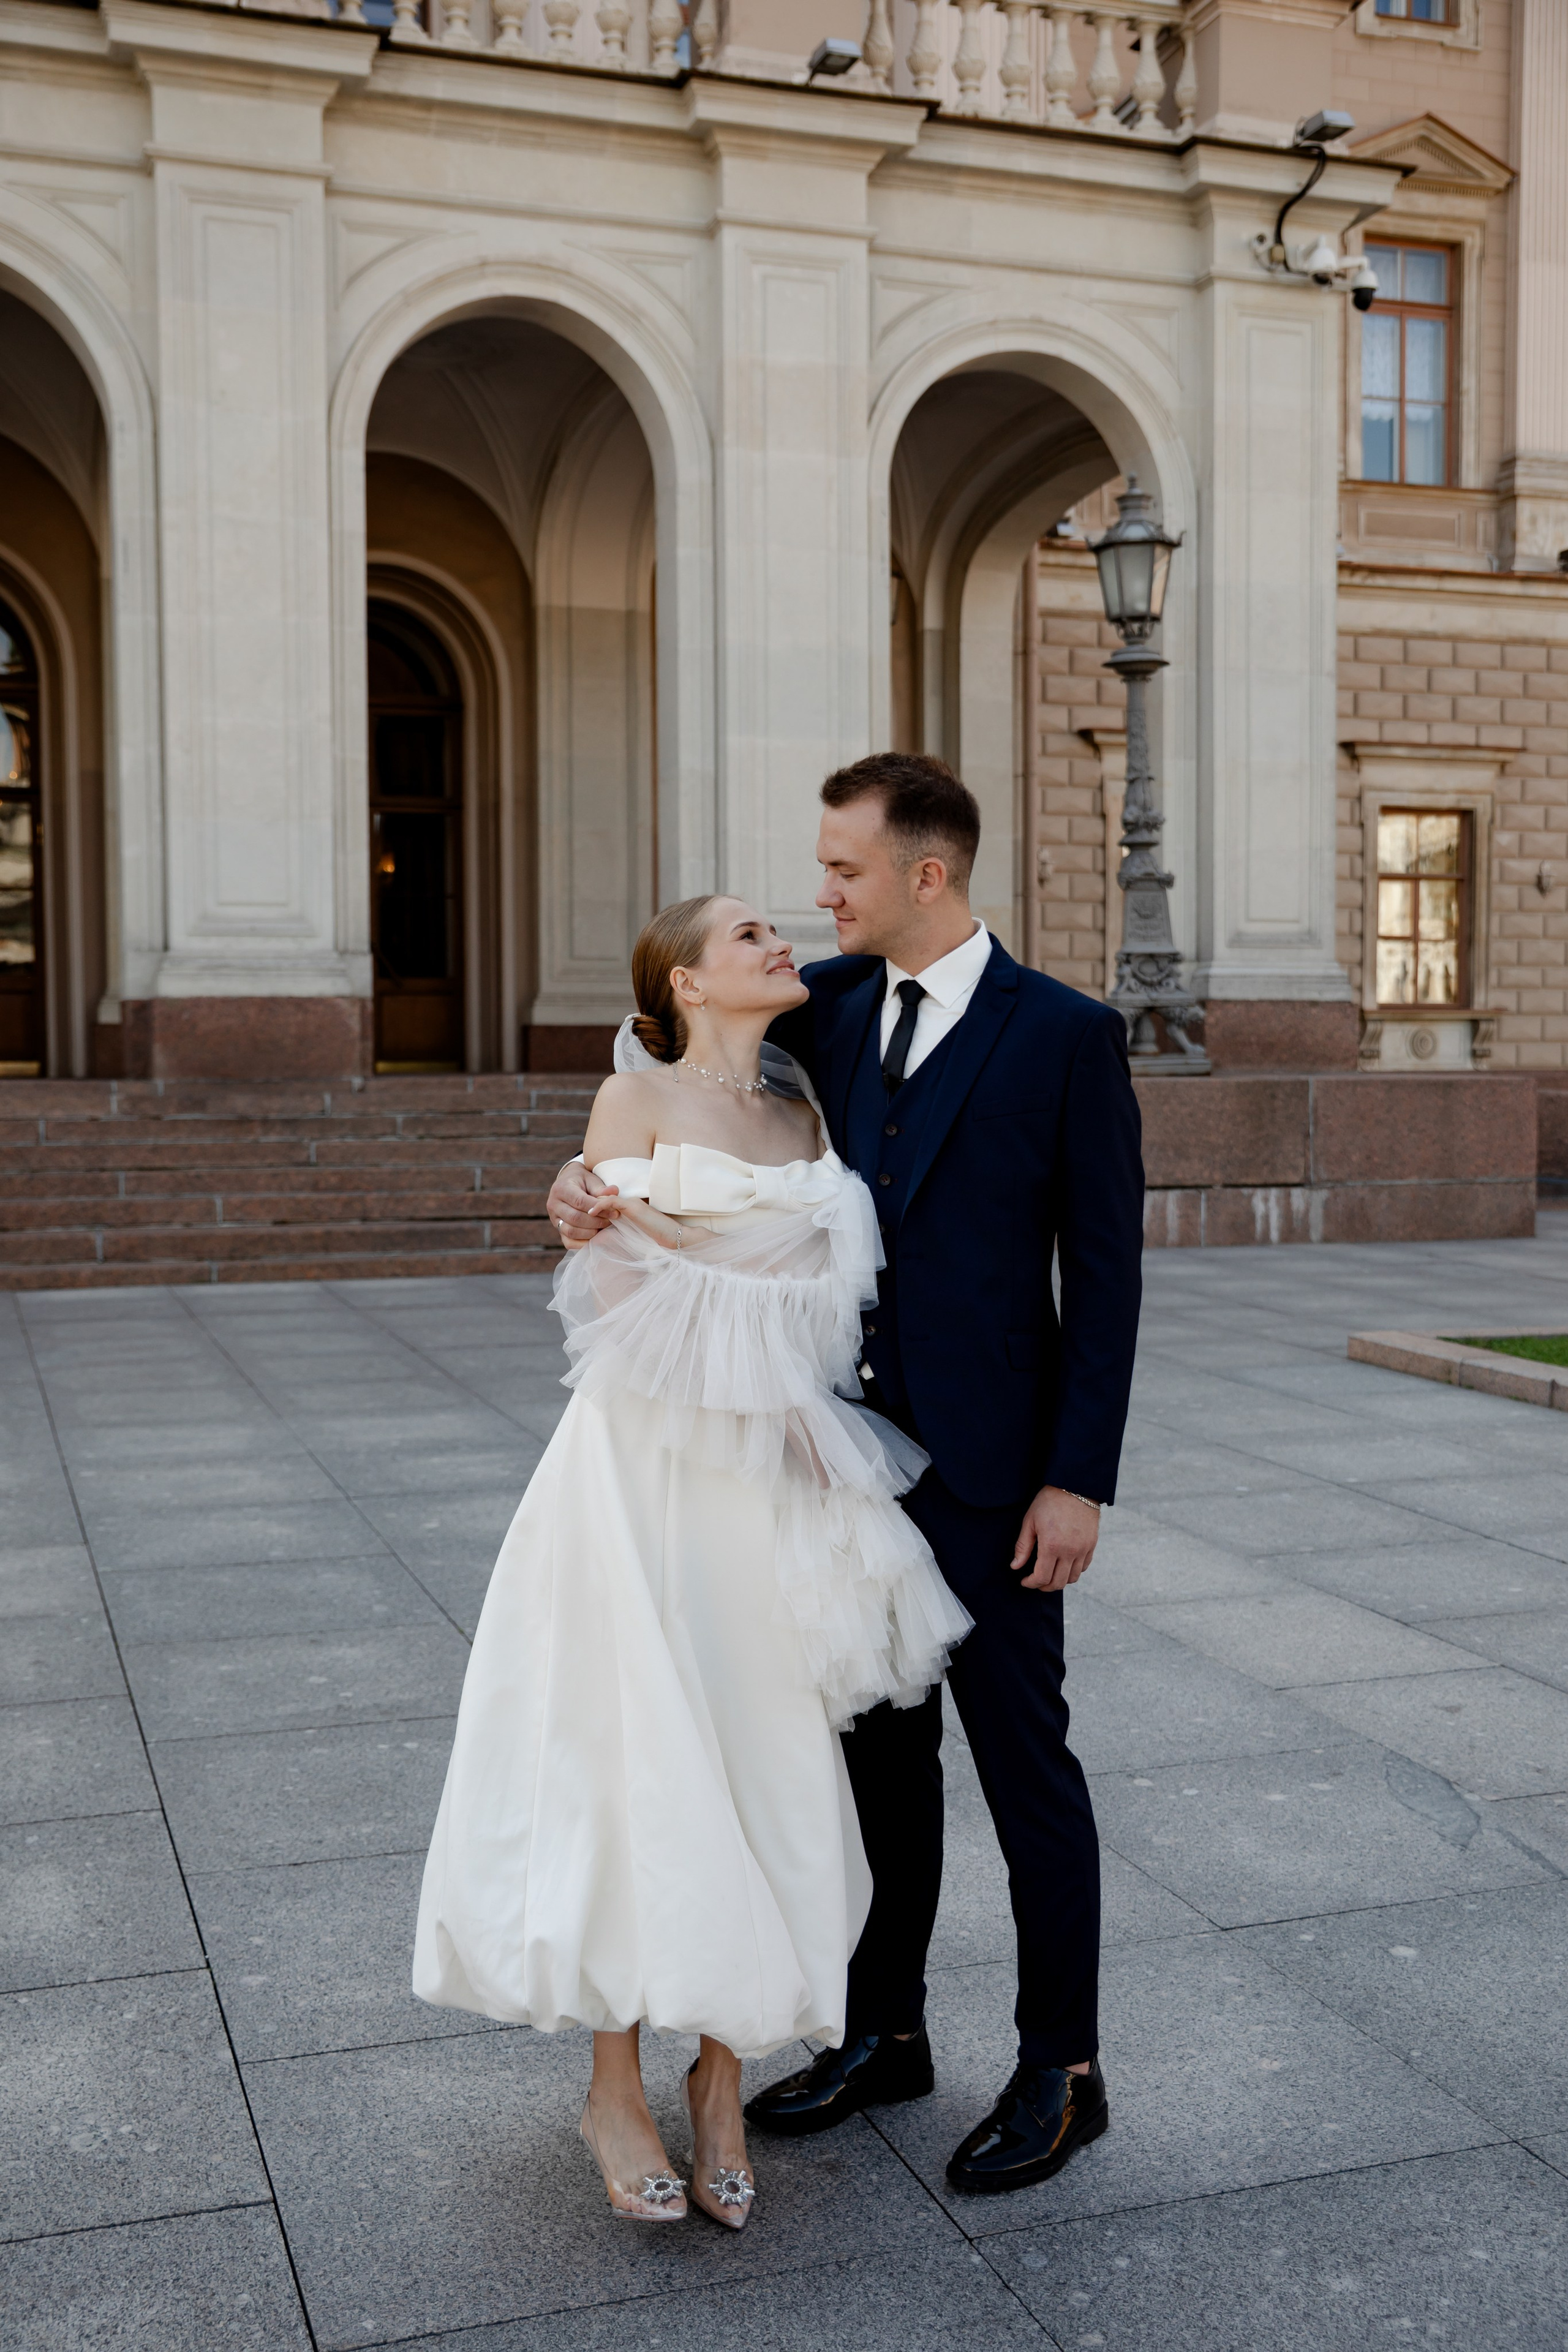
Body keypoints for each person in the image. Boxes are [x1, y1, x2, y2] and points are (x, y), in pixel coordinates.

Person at [549, 753, 1144, 2194]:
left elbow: (1107, 1273)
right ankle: (888, 2032)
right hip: (825, 1460)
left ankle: (1062, 2070)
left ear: (922, 876)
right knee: (877, 1766)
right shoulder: (823, 1004)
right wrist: (580, 1188)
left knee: (1024, 1769)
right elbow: (676, 1080)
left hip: (997, 1478)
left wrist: (1078, 1480)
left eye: (844, 871)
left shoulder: (1062, 1034)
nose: (820, 895)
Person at [414, 892, 970, 2228]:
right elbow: (619, 1303)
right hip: (652, 1472)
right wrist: (752, 1373)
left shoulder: (806, 1113)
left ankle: (721, 2076)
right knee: (631, 1752)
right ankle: (615, 2086)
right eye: (746, 936)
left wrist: (799, 1415)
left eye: (778, 926)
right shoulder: (636, 1105)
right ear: (681, 982)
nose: (781, 941)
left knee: (761, 1753)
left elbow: (834, 1300)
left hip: (780, 1479)